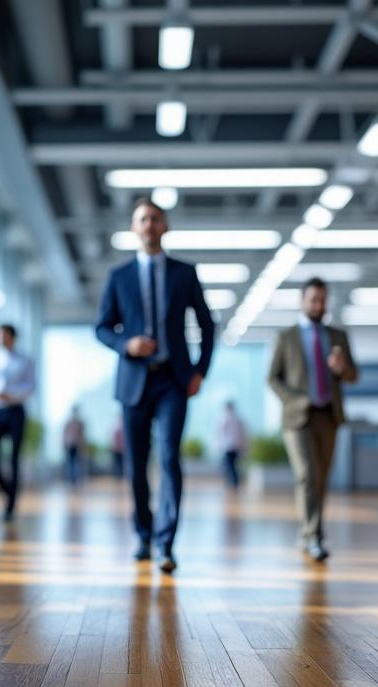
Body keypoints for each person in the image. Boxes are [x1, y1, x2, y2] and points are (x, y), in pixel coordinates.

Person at [95, 197, 215, 574]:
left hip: (173, 380)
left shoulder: (184, 273)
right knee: (136, 464)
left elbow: (207, 325)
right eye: (142, 219)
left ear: (165, 226)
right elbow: (101, 327)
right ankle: (144, 534)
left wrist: (200, 371)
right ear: (134, 228)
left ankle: (166, 542)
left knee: (168, 458)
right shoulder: (119, 277)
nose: (149, 224)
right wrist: (125, 343)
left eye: (155, 218)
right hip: (133, 381)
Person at [268, 277, 357, 562]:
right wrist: (296, 399)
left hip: (328, 416)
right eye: (313, 300)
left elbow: (354, 375)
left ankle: (308, 532)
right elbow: (273, 378)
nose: (318, 305)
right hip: (298, 417)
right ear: (302, 301)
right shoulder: (287, 337)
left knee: (321, 479)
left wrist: (342, 369)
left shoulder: (337, 337)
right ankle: (314, 535)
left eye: (322, 300)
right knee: (307, 474)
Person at [0, 323, 36, 521]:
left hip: (16, 411)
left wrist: (11, 395)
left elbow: (31, 386)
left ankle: (11, 504)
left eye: (3, 335)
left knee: (14, 459)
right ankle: (8, 491)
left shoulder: (25, 360)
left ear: (12, 337)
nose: (0, 339)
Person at [215, 401, 248, 489]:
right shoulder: (238, 419)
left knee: (230, 465)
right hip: (234, 446)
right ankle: (233, 482)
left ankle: (234, 482)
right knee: (232, 465)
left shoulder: (224, 419)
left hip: (229, 447)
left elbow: (220, 433)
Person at [62, 407, 85, 486]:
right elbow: (65, 434)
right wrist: (65, 443)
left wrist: (82, 445)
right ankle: (71, 480)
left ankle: (77, 480)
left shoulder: (80, 423)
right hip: (70, 445)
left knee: (77, 463)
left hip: (77, 445)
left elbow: (82, 435)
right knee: (71, 463)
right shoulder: (69, 422)